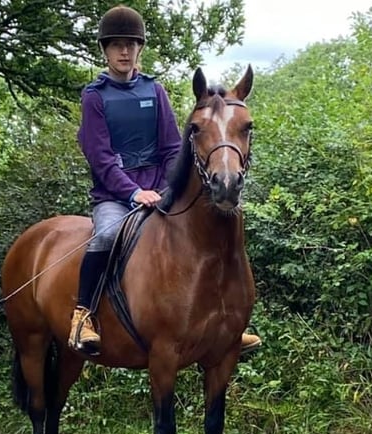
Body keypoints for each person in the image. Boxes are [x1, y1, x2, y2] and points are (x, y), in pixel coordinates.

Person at [69, 4, 262, 357]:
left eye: (131, 44)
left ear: (140, 47)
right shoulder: (94, 97)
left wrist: (168, 188)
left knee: (210, 227)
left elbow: (173, 146)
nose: (124, 51)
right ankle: (84, 314)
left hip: (160, 188)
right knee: (107, 235)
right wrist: (132, 193)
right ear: (106, 50)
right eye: (116, 45)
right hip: (115, 195)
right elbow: (100, 157)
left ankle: (227, 324)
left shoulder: (153, 91)